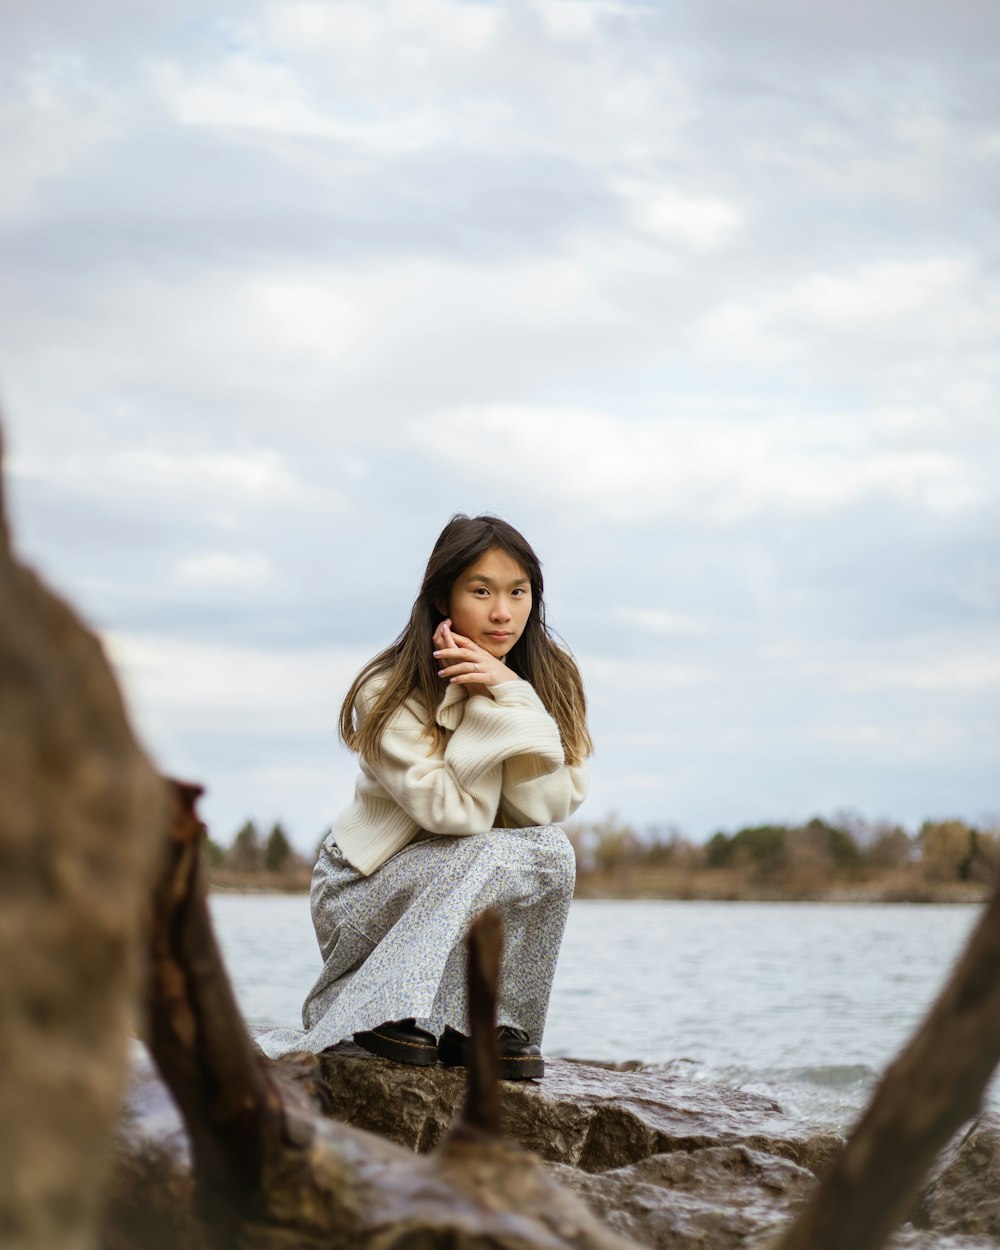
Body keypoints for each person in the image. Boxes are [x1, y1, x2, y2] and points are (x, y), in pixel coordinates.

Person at [258, 514, 591, 1079]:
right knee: (484, 848)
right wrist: (488, 702)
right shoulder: (386, 689)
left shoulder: (549, 679)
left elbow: (547, 808)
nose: (502, 613)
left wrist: (512, 694)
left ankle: (486, 1023)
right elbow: (457, 814)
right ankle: (379, 1009)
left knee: (553, 852)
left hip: (461, 884)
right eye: (481, 591)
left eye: (518, 592)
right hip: (363, 893)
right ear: (443, 597)